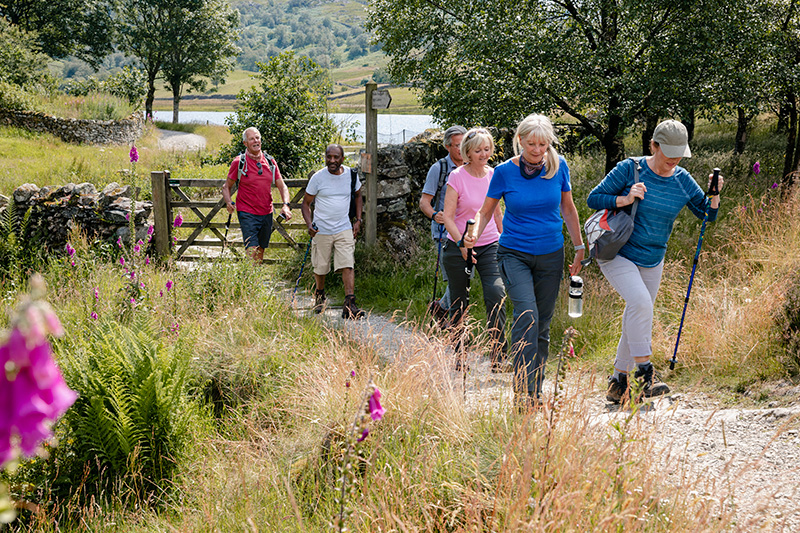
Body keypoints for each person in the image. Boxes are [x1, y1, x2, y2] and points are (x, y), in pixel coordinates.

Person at [587, 119, 724, 403]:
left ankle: (618, 382)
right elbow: (594, 198)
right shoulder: (630, 168)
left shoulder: (682, 179)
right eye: (668, 153)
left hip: (653, 257)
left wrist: (714, 195)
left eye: (678, 155)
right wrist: (625, 199)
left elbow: (706, 216)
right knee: (640, 304)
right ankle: (646, 375)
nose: (672, 160)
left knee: (637, 312)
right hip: (618, 251)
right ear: (653, 146)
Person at [467, 114, 584, 410]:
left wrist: (579, 246)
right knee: (526, 316)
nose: (536, 149)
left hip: (551, 255)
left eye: (542, 144)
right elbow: (485, 211)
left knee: (542, 326)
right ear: (519, 140)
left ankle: (535, 391)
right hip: (513, 253)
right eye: (531, 143)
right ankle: (521, 393)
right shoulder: (505, 172)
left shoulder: (558, 167)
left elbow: (568, 210)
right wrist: (472, 235)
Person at [441, 127, 507, 370]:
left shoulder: (493, 175)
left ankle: (499, 356)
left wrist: (504, 237)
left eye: (487, 149)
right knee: (459, 301)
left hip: (489, 244)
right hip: (458, 244)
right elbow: (447, 216)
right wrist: (461, 244)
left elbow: (496, 211)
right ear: (467, 152)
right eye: (478, 150)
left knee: (496, 293)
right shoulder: (457, 177)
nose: (484, 154)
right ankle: (460, 356)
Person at [301, 144, 365, 319]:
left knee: (347, 263)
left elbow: (358, 196)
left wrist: (358, 220)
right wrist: (309, 224)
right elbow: (305, 204)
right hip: (321, 229)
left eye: (336, 157)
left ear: (342, 158)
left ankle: (350, 304)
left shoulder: (351, 175)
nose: (332, 161)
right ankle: (320, 296)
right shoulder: (318, 178)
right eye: (329, 157)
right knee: (321, 267)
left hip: (344, 227)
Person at [222, 127, 292, 262]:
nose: (256, 141)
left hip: (266, 212)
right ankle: (249, 280)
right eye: (251, 139)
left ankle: (255, 280)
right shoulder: (239, 162)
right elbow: (226, 187)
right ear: (245, 143)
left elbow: (282, 186)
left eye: (257, 138)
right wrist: (228, 202)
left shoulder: (270, 162)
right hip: (246, 212)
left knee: (260, 250)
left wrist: (286, 205)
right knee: (251, 250)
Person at [419, 126, 466, 321]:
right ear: (447, 146)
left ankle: (441, 308)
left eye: (464, 144)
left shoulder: (473, 167)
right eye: (457, 146)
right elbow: (424, 202)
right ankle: (452, 319)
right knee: (456, 279)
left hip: (467, 232)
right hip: (444, 233)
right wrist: (434, 215)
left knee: (463, 278)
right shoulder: (439, 169)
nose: (461, 149)